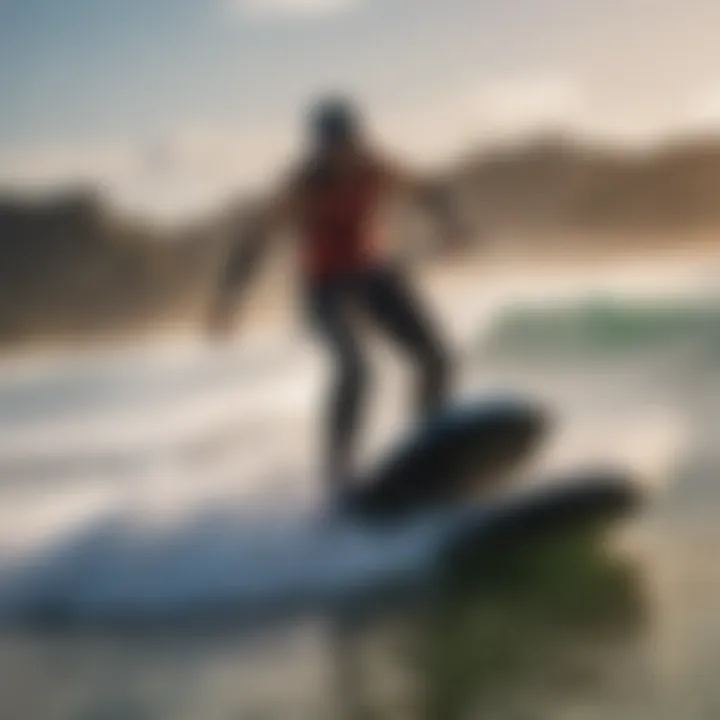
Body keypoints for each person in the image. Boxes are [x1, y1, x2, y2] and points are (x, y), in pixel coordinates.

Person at [207, 96, 466, 505]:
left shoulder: (377, 168)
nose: (342, 154)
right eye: (333, 146)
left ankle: (429, 446)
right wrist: (227, 304)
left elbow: (429, 191)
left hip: (375, 276)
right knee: (357, 367)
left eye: (348, 142)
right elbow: (253, 243)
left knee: (438, 357)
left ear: (358, 139)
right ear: (320, 149)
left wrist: (453, 225)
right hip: (324, 289)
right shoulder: (300, 188)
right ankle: (339, 474)